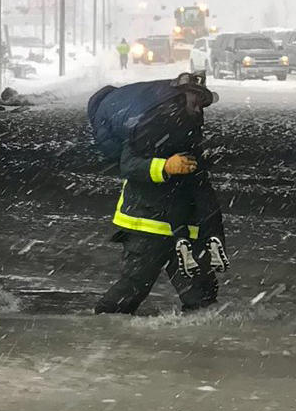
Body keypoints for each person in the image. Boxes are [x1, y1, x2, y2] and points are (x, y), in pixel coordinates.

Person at [89, 73, 228, 315]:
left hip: (184, 226)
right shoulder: (146, 124)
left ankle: (203, 336)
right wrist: (165, 166)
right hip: (148, 223)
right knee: (132, 288)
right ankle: (102, 325)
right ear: (178, 96)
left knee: (200, 292)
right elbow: (130, 165)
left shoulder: (188, 126)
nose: (198, 105)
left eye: (201, 100)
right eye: (194, 98)